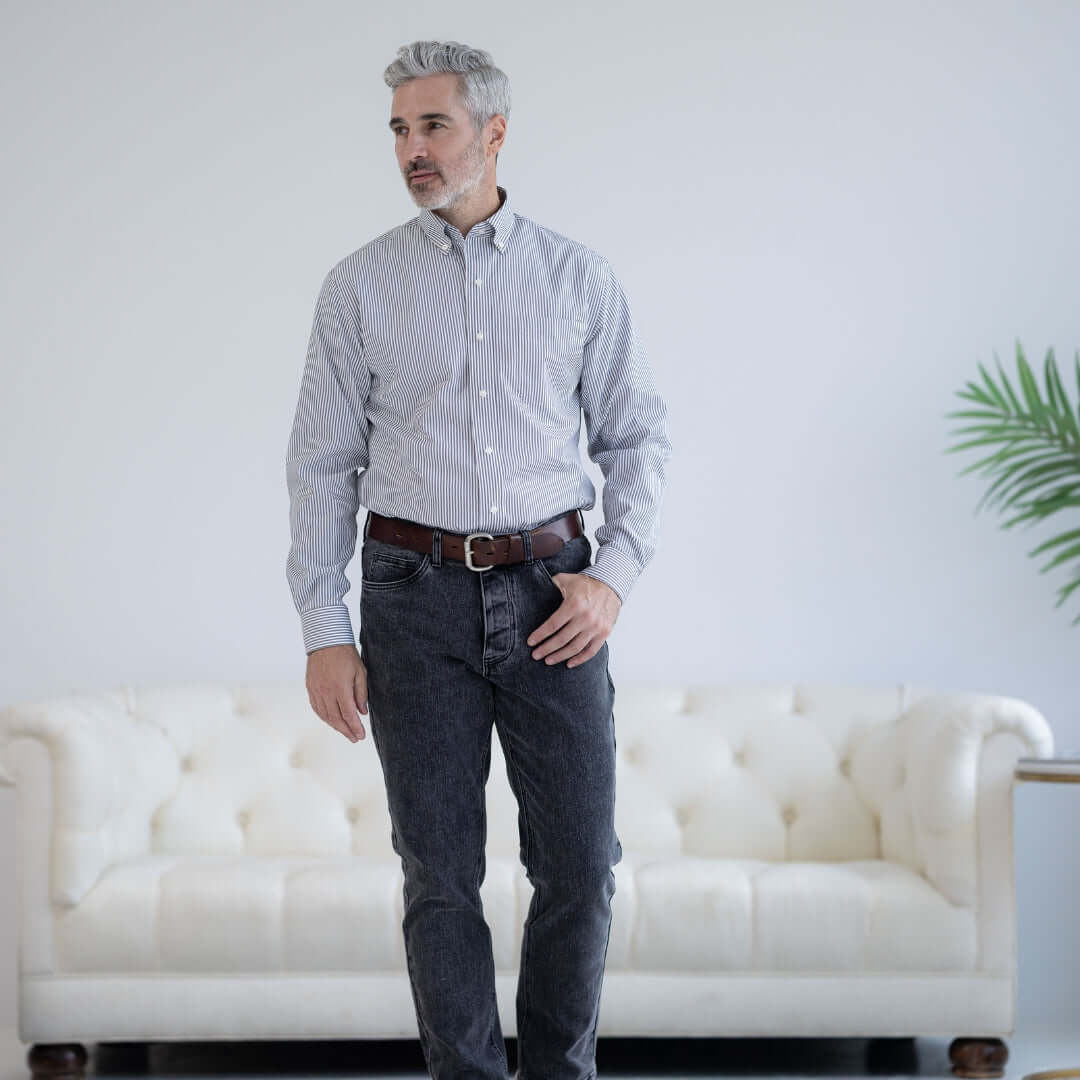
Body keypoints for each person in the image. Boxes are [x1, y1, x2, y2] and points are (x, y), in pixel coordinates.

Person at [285, 38, 672, 1080]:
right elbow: (321, 467)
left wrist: (613, 579)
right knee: (440, 876)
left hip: (557, 596)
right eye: (401, 131)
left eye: (433, 126)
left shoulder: (579, 279)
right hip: (411, 600)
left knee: (581, 869)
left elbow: (638, 439)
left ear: (493, 133)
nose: (412, 149)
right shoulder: (357, 288)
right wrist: (326, 632)